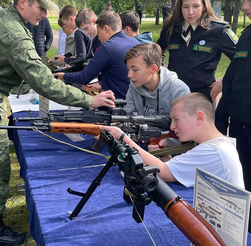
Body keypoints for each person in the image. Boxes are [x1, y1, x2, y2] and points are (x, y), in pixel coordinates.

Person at [0, 0, 116, 245]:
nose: (44, 14)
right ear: (23, 3)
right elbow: (44, 84)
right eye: (41, 8)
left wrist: (48, 65)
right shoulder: (16, 35)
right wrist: (89, 101)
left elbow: (17, 61)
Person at [100, 93, 245, 189]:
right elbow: (169, 169)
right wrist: (166, 157)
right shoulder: (218, 145)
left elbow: (163, 172)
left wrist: (123, 138)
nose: (172, 127)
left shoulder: (213, 151)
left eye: (176, 119)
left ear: (199, 118)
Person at [156, 0, 238, 102]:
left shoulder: (218, 30)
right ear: (180, 7)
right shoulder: (171, 27)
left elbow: (242, 58)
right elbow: (156, 52)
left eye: (195, 6)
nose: (190, 12)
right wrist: (160, 73)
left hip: (201, 95)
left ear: (204, 6)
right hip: (172, 92)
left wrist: (225, 81)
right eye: (186, 7)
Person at [215, 0, 251, 231]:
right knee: (244, 181)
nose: (246, 6)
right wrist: (220, 118)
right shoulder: (246, 35)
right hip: (239, 125)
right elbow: (230, 79)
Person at [55, 10, 140, 99]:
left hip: (116, 103)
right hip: (135, 101)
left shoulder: (107, 47)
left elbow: (84, 77)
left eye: (99, 33)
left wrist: (63, 76)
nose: (98, 37)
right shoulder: (136, 42)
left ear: (106, 29)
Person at [124, 43, 190, 116]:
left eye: (135, 70)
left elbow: (185, 123)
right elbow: (128, 115)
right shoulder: (134, 86)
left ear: (153, 69)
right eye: (128, 69)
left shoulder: (179, 90)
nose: (129, 75)